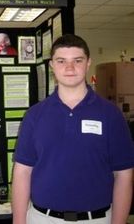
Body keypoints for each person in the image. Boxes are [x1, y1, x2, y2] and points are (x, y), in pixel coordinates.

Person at [12, 34, 134, 224]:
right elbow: (22, 172)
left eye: (77, 60)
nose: (69, 68)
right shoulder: (35, 116)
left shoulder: (111, 115)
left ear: (88, 63)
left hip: (97, 219)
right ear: (52, 65)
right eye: (61, 61)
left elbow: (124, 175)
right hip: (42, 219)